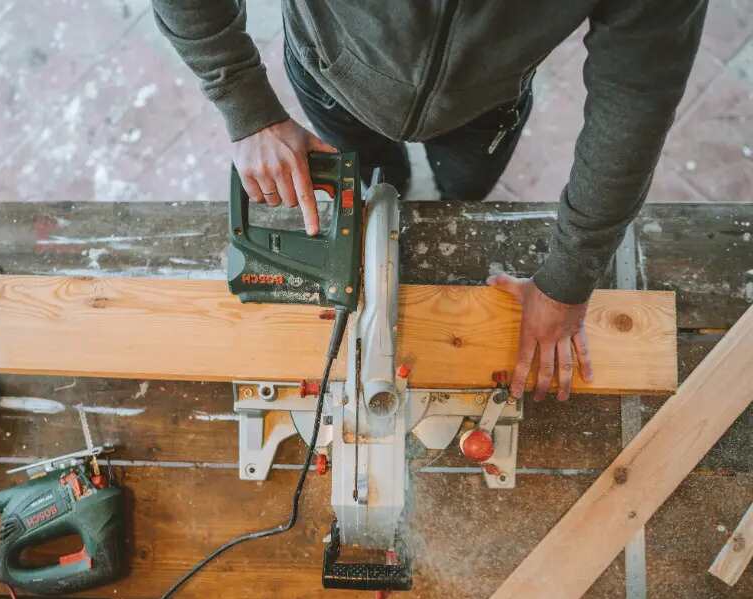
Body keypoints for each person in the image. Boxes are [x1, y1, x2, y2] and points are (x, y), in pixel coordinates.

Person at [152, 1, 706, 402]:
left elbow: (637, 95)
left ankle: (432, 189)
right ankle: (388, 179)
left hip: (484, 110)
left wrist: (570, 276)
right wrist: (247, 107)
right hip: (332, 77)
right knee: (370, 174)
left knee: (461, 195)